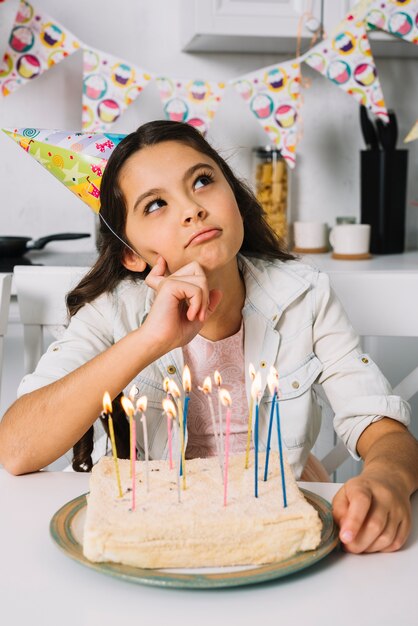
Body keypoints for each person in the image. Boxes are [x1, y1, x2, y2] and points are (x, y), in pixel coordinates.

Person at [0, 120, 417, 554]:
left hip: (276, 537)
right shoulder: (111, 313)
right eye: (156, 204)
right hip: (154, 537)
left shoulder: (304, 296)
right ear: (130, 253)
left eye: (202, 181)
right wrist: (149, 339)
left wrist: (387, 479)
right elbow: (16, 448)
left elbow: (384, 432)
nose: (192, 209)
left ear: (233, 196)